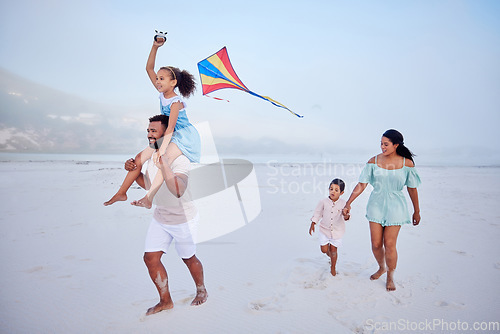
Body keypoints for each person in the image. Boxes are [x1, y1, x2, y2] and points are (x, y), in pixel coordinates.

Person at [104, 35, 201, 208]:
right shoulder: (162, 93)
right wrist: (155, 46)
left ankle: (149, 198)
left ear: (173, 83)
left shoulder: (176, 102)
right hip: (170, 134)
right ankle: (121, 192)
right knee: (139, 158)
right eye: (157, 78)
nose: (157, 81)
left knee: (163, 160)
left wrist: (161, 150)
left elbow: (171, 127)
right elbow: (149, 68)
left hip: (183, 136)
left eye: (162, 79)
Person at [128, 114, 207, 315]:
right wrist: (133, 169)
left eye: (153, 131)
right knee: (150, 259)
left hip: (183, 220)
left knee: (188, 258)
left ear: (167, 134)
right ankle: (165, 301)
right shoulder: (151, 157)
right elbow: (146, 183)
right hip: (161, 217)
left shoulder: (180, 160)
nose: (149, 135)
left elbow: (178, 189)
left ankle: (201, 290)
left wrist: (164, 164)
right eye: (148, 130)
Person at [342, 129, 421, 291]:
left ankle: (390, 276)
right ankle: (381, 267)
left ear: (396, 145)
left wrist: (416, 211)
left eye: (386, 144)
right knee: (376, 244)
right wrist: (348, 203)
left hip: (396, 206)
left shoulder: (407, 163)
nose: (382, 147)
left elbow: (412, 189)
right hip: (376, 204)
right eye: (381, 143)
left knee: (390, 244)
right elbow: (362, 184)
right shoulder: (373, 161)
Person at [309, 179, 350, 276]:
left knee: (334, 250)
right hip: (324, 230)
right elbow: (318, 213)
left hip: (337, 231)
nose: (333, 192)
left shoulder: (344, 203)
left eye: (336, 190)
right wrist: (313, 223)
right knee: (324, 250)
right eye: (331, 189)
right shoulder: (323, 202)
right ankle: (330, 256)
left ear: (342, 192)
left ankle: (333, 267)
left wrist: (346, 214)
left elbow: (347, 217)